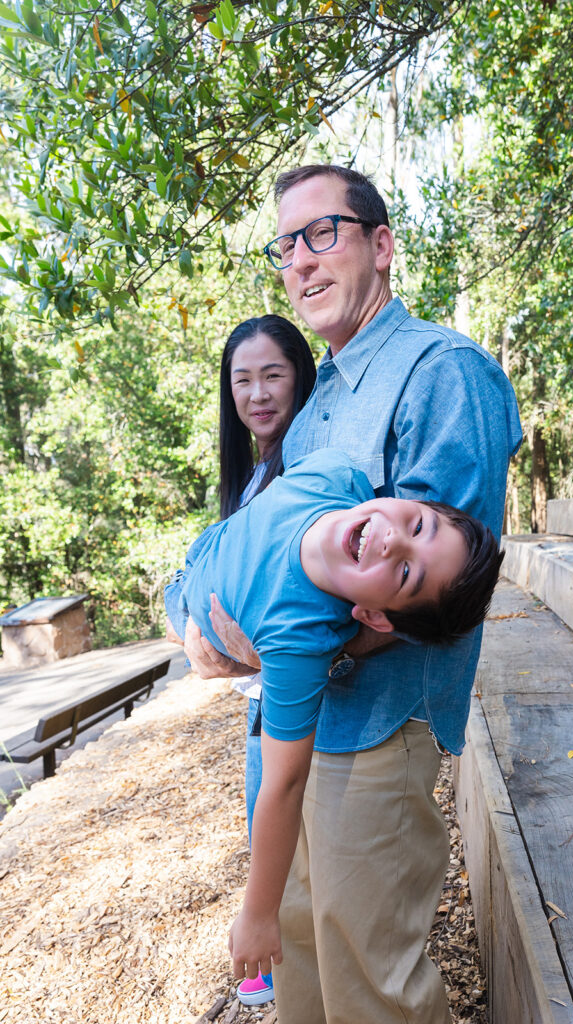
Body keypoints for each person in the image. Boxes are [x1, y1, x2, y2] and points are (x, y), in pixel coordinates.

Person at [184, 165, 523, 1024]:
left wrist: (254, 642)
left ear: (381, 245)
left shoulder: (443, 371)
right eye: (285, 244)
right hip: (289, 726)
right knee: (296, 956)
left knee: (370, 980)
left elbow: (442, 592)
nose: (300, 259)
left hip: (374, 730)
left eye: (322, 232)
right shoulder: (319, 396)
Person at [166, 313, 315, 1007]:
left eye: (273, 375)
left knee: (278, 824)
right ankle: (273, 962)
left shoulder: (307, 474)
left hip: (285, 693)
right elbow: (196, 586)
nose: (257, 394)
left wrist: (208, 630)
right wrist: (189, 625)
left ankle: (275, 956)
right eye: (242, 380)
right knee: (261, 821)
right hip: (255, 700)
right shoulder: (254, 477)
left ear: (302, 377)